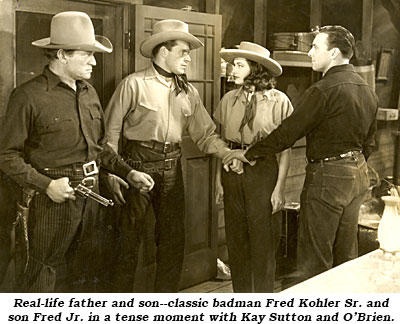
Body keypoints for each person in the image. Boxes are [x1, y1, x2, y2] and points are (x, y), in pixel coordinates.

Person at [0, 11, 152, 292]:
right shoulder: (28, 96)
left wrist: (128, 172)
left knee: (88, 274)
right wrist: (47, 186)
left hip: (92, 199)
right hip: (50, 202)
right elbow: (6, 156)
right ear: (61, 54)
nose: (94, 61)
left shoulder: (89, 93)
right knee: (42, 276)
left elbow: (99, 150)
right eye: (87, 54)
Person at [224, 26, 378, 281]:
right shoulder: (367, 90)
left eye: (316, 47)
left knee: (315, 260)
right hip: (358, 175)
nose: (310, 53)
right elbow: (369, 143)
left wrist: (249, 154)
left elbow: (287, 133)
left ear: (335, 53)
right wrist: (351, 167)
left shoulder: (322, 90)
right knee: (345, 256)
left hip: (327, 177)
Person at [104, 19, 233, 293]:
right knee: (127, 243)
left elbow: (206, 134)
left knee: (173, 243)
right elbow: (110, 135)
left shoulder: (188, 91)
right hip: (136, 167)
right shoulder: (133, 84)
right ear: (163, 51)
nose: (188, 58)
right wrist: (113, 174)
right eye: (182, 52)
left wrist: (228, 154)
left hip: (173, 169)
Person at [215, 42, 293, 292]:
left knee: (262, 241)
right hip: (231, 172)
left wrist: (279, 189)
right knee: (236, 240)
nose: (232, 69)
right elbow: (224, 142)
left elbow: (285, 148)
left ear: (256, 68)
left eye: (239, 65)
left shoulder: (278, 101)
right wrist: (218, 179)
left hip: (263, 173)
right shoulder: (229, 99)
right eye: (233, 64)